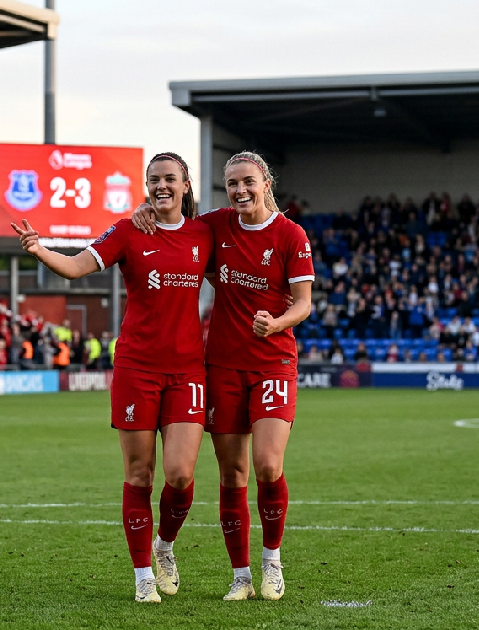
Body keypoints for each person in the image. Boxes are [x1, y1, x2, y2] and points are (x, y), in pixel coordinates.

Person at [12, 152, 213, 603]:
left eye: (169, 179)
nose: (161, 186)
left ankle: (164, 546)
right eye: (153, 180)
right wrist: (39, 248)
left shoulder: (205, 232)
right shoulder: (128, 230)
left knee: (179, 475)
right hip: (136, 369)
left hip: (186, 372)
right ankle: (143, 574)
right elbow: (76, 265)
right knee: (139, 475)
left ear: (185, 185)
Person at [132, 150, 313, 601]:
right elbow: (176, 217)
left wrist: (277, 323)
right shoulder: (216, 225)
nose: (240, 191)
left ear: (266, 182)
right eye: (232, 184)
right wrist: (144, 209)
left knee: (268, 464)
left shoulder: (290, 235)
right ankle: (241, 576)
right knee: (232, 475)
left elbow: (304, 303)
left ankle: (273, 563)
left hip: (273, 361)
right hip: (223, 365)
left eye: (248, 182)